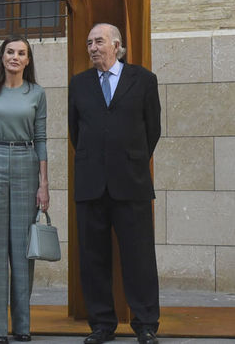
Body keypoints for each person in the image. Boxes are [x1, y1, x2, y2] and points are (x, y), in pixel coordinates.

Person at [68, 22, 161, 344]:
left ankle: (146, 323)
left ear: (117, 46)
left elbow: (153, 130)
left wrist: (131, 158)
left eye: (99, 42)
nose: (93, 48)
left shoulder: (144, 80)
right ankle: (102, 324)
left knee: (140, 256)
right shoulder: (78, 84)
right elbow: (75, 132)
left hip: (131, 181)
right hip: (91, 182)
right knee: (93, 258)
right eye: (89, 42)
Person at [0, 36, 50, 343]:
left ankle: (21, 325)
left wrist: (44, 185)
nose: (15, 57)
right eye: (10, 52)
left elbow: (42, 138)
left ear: (28, 60)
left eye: (21, 53)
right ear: (2, 57)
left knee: (22, 250)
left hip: (27, 163)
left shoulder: (37, 93)